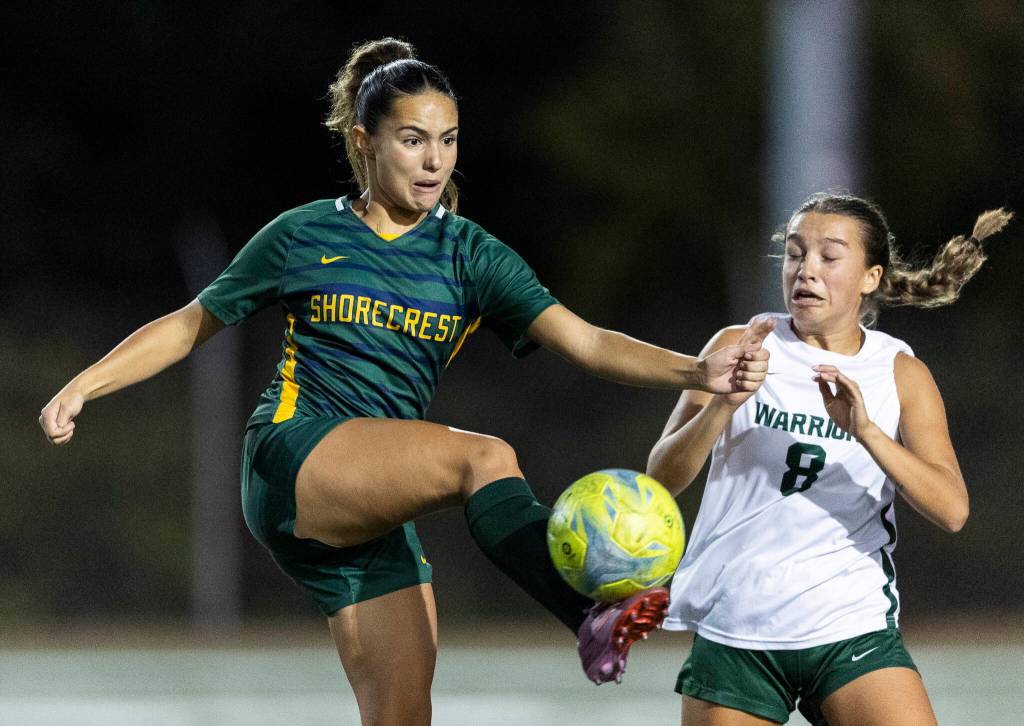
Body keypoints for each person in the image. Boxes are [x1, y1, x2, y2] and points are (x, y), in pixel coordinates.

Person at [38, 37, 772, 725]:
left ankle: (586, 616)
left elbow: (585, 341)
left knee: (403, 715)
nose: (433, 161)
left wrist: (697, 371)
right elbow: (190, 323)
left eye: (447, 141)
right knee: (482, 458)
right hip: (294, 456)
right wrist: (85, 384)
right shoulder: (304, 234)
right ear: (365, 141)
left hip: (370, 507)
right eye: (412, 139)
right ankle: (589, 614)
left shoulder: (470, 255)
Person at [647, 192, 1012, 725]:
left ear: (870, 276)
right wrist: (723, 403)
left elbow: (952, 510)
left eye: (829, 256)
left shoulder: (900, 373)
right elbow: (660, 478)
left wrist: (866, 432)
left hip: (850, 626)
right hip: (737, 624)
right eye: (795, 254)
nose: (806, 270)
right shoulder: (739, 344)